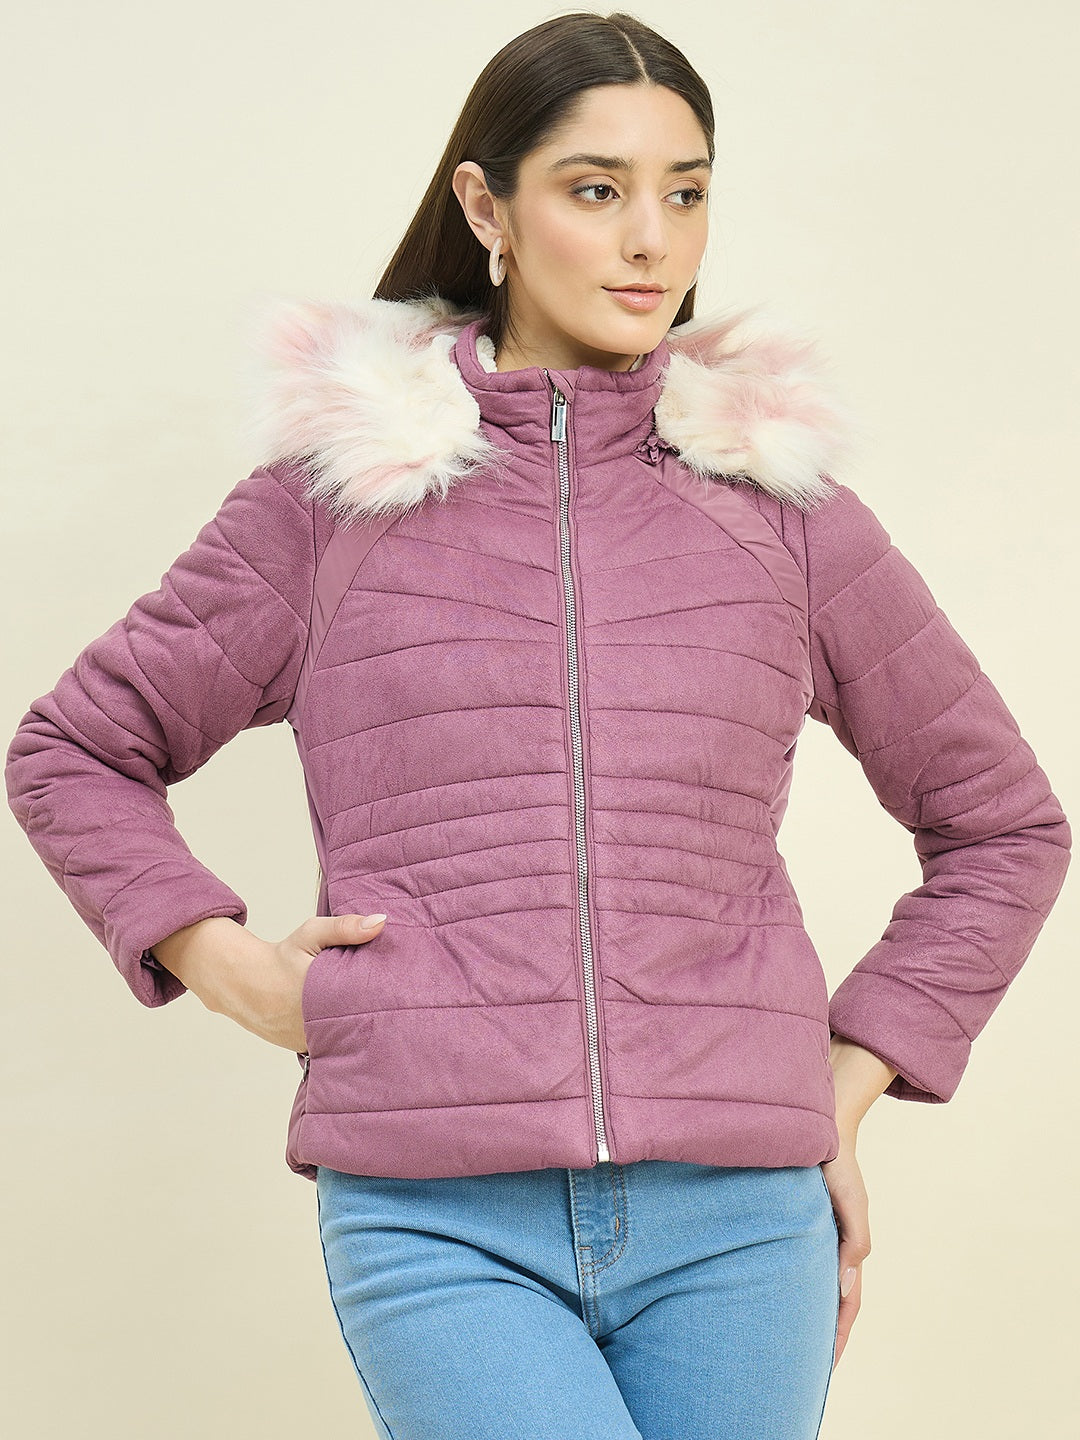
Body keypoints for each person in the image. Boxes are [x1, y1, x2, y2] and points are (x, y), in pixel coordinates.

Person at [5, 11, 1071, 1440]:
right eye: (596, 188)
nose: (650, 240)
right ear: (484, 205)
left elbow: (1005, 826)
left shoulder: (782, 513)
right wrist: (234, 970)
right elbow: (75, 751)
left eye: (685, 192)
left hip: (740, 1220)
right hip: (438, 1216)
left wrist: (847, 1075)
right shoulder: (334, 504)